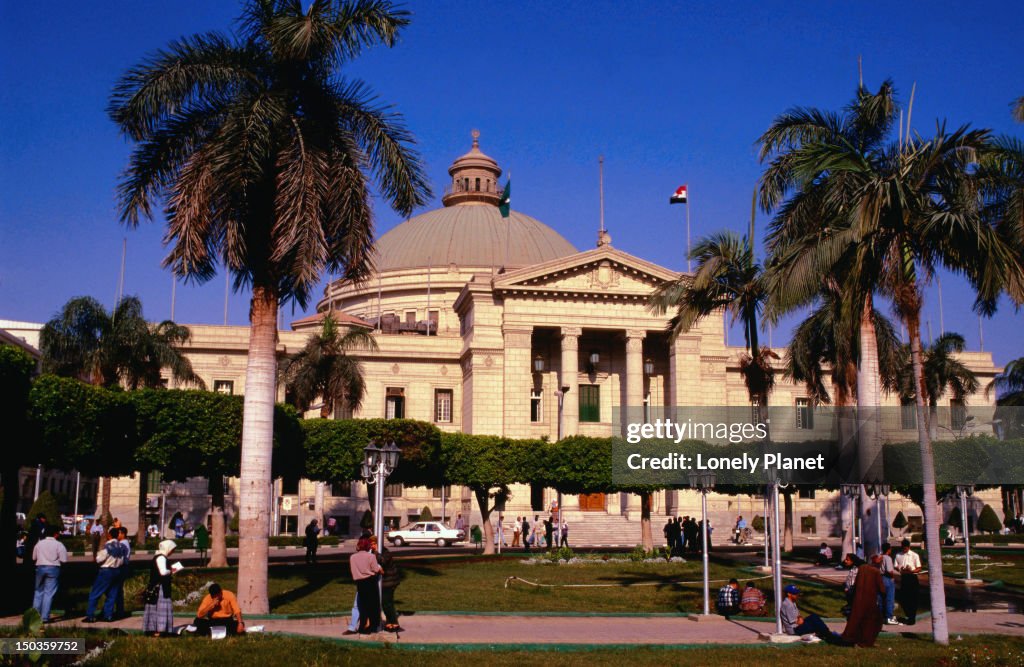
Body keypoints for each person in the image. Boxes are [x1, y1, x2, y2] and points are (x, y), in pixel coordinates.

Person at [83, 527, 128, 623]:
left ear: (109, 535)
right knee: (112, 595)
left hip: (106, 571)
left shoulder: (108, 547)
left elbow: (99, 559)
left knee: (95, 593)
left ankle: (90, 615)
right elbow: (124, 560)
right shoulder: (122, 547)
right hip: (117, 571)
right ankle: (108, 616)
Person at [840, 557, 886, 647]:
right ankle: (866, 642)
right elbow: (882, 588)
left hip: (858, 600)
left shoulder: (862, 568)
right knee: (873, 622)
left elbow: (855, 584)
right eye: (880, 560)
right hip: (870, 601)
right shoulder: (875, 571)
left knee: (858, 620)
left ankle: (853, 639)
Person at [143, 540, 181, 637]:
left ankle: (154, 630)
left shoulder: (158, 556)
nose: (172, 552)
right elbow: (163, 572)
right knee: (161, 609)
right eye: (172, 549)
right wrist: (171, 571)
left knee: (154, 609)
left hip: (156, 586)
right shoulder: (161, 558)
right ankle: (160, 630)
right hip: (160, 588)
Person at [31, 525, 68, 623]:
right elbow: (63, 560)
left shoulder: (39, 544)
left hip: (40, 568)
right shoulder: (59, 544)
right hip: (53, 568)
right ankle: (44, 618)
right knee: (49, 594)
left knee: (38, 592)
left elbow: (34, 557)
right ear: (55, 534)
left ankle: (34, 617)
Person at [349, 537, 383, 634]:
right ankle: (372, 625)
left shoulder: (353, 557)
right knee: (373, 605)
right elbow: (376, 569)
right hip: (370, 582)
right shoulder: (371, 557)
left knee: (362, 606)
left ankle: (362, 626)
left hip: (360, 583)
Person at [894, 538, 922, 625]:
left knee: (913, 598)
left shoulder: (914, 555)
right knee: (903, 598)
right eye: (903, 548)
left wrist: (911, 570)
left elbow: (918, 568)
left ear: (909, 547)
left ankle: (912, 617)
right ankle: (908, 614)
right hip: (904, 577)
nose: (904, 549)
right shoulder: (898, 555)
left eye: (906, 548)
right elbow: (896, 566)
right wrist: (900, 569)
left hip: (912, 577)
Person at [378, 543, 402, 632]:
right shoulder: (381, 553)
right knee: (388, 602)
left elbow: (382, 561)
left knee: (386, 602)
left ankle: (394, 623)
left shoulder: (385, 553)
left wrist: (376, 553)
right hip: (387, 582)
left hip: (389, 582)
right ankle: (389, 622)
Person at [877, 543, 900, 625]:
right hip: (887, 578)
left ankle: (880, 616)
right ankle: (889, 617)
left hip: (880, 578)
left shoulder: (880, 557)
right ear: (888, 549)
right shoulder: (888, 558)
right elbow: (889, 570)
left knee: (880, 598)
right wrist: (894, 577)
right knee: (889, 598)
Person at [114, 526, 132, 619]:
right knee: (118, 590)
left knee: (118, 590)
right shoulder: (123, 543)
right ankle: (119, 610)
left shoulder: (122, 543)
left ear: (123, 534)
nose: (118, 535)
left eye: (119, 533)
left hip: (122, 567)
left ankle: (119, 611)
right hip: (123, 567)